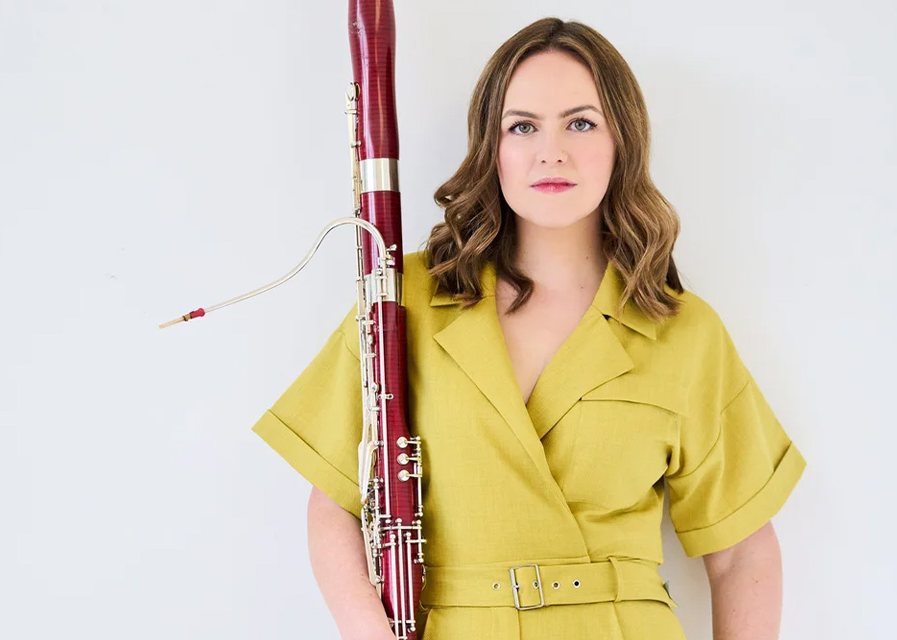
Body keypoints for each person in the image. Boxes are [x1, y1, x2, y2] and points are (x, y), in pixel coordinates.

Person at [251, 16, 806, 640]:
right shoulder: (402, 299)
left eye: (581, 122)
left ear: (623, 140)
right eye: (523, 126)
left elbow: (740, 553)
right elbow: (335, 505)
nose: (552, 151)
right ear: (493, 147)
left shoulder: (683, 330)